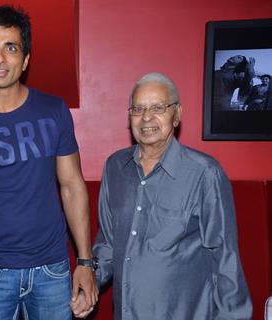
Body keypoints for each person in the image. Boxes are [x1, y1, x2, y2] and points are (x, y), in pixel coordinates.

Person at [0, 5, 97, 320]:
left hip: (52, 269)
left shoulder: (53, 110)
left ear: (24, 60)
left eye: (10, 48)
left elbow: (72, 186)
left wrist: (85, 262)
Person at [84, 72, 252, 319]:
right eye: (138, 109)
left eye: (158, 107)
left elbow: (225, 258)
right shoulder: (115, 167)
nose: (146, 117)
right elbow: (108, 243)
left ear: (177, 115)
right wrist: (89, 280)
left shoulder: (205, 174)